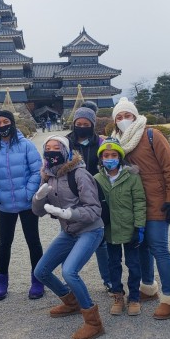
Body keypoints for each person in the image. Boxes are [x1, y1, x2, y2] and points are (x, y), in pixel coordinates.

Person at [111, 97, 170, 319]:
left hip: (157, 202)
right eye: (119, 117)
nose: (123, 120)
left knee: (159, 247)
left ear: (135, 116)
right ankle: (148, 286)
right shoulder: (116, 141)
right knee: (142, 247)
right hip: (133, 205)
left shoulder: (152, 135)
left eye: (127, 116)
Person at [32, 135, 105, 339]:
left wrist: (70, 214)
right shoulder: (47, 175)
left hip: (90, 230)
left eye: (57, 147)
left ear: (66, 151)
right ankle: (71, 301)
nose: (52, 151)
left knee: (69, 271)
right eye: (48, 148)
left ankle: (93, 321)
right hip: (69, 232)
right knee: (41, 271)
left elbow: (94, 210)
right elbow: (38, 212)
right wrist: (38, 198)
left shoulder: (80, 174)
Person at [0, 110, 45, 300]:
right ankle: (1, 281)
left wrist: (28, 193)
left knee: (33, 242)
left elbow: (37, 171)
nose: (2, 126)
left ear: (12, 123)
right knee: (4, 243)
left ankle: (38, 279)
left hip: (27, 204)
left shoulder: (26, 145)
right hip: (5, 205)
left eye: (6, 121)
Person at [94, 138, 146, 316]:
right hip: (109, 229)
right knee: (113, 264)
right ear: (101, 158)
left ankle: (134, 297)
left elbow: (139, 201)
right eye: (106, 155)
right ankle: (117, 295)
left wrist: (139, 226)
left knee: (133, 264)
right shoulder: (97, 179)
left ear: (120, 157)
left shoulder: (132, 176)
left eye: (114, 155)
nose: (110, 158)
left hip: (129, 227)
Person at [66, 101, 112, 293]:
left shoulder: (101, 142)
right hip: (72, 197)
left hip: (98, 197)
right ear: (74, 123)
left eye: (86, 124)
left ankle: (108, 279)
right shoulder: (66, 143)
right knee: (69, 237)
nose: (82, 127)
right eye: (79, 123)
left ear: (92, 125)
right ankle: (69, 278)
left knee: (101, 241)